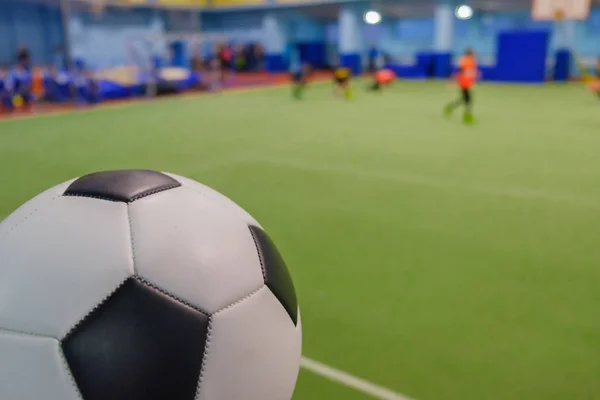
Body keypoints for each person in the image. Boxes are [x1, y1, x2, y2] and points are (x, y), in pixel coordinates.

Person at [444, 48, 478, 124]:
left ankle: (450, 107)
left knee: (463, 99)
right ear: (469, 54)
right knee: (468, 100)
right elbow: (459, 71)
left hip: (467, 83)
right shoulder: (465, 61)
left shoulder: (472, 61)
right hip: (463, 83)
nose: (474, 55)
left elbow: (471, 72)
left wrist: (474, 77)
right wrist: (452, 80)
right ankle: (467, 116)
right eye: (473, 53)